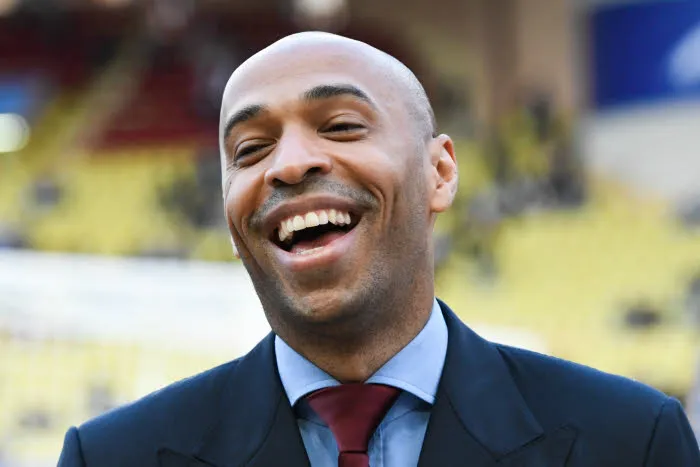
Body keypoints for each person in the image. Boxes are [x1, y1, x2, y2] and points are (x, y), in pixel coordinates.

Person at [58, 32, 700, 467]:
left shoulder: (631, 440)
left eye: (340, 126)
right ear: (230, 221)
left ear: (440, 173)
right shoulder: (111, 457)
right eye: (250, 150)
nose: (290, 164)